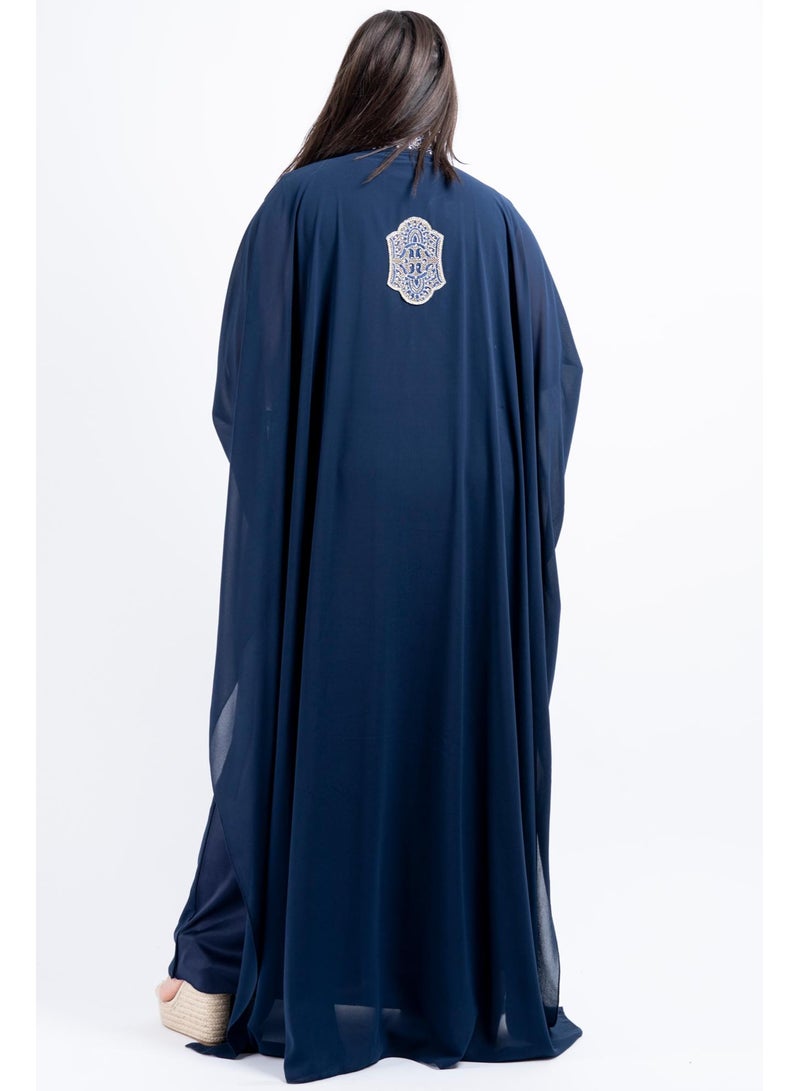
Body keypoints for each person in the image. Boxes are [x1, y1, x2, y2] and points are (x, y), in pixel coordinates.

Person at [155, 8, 585, 1084]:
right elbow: (557, 380)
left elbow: (243, 390)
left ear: (353, 86)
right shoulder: (498, 226)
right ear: (442, 96)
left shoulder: (299, 206)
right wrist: (494, 510)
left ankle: (225, 970)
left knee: (304, 717)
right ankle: (438, 981)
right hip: (465, 546)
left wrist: (302, 488)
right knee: (448, 726)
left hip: (337, 532)